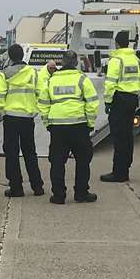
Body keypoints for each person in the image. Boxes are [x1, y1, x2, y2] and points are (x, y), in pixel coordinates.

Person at [37, 49, 98, 205]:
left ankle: (58, 195)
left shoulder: (51, 81)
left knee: (57, 162)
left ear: (62, 63)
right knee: (83, 160)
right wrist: (90, 124)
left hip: (58, 127)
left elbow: (43, 104)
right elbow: (92, 103)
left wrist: (47, 123)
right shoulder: (82, 79)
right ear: (76, 63)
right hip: (79, 126)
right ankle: (81, 193)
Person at [0, 43, 45, 198]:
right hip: (27, 118)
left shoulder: (3, 74)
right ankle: (37, 186)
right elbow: (41, 94)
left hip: (11, 118)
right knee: (30, 152)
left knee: (11, 153)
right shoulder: (34, 73)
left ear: (9, 57)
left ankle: (16, 187)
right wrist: (34, 110)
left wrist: (4, 111)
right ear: (22, 56)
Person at [99, 30, 140, 183]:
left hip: (119, 100)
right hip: (132, 99)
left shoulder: (116, 60)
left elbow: (110, 83)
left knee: (118, 137)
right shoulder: (136, 60)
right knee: (127, 136)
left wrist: (108, 101)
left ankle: (118, 172)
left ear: (116, 43)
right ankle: (125, 169)